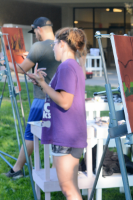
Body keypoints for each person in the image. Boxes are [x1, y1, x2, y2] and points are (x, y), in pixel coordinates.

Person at [28, 27, 87, 200]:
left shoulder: (66, 67)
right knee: (71, 188)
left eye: (54, 44)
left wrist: (44, 84)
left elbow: (65, 101)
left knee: (68, 189)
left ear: (61, 44)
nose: (53, 48)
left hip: (65, 135)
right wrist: (41, 83)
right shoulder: (73, 65)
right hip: (71, 134)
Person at [3, 17, 60, 179]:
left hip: (42, 99)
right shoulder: (61, 45)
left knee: (31, 134)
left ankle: (17, 170)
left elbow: (21, 68)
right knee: (54, 135)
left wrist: (5, 62)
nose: (35, 35)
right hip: (58, 98)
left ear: (39, 29)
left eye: (34, 31)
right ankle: (55, 171)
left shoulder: (39, 46)